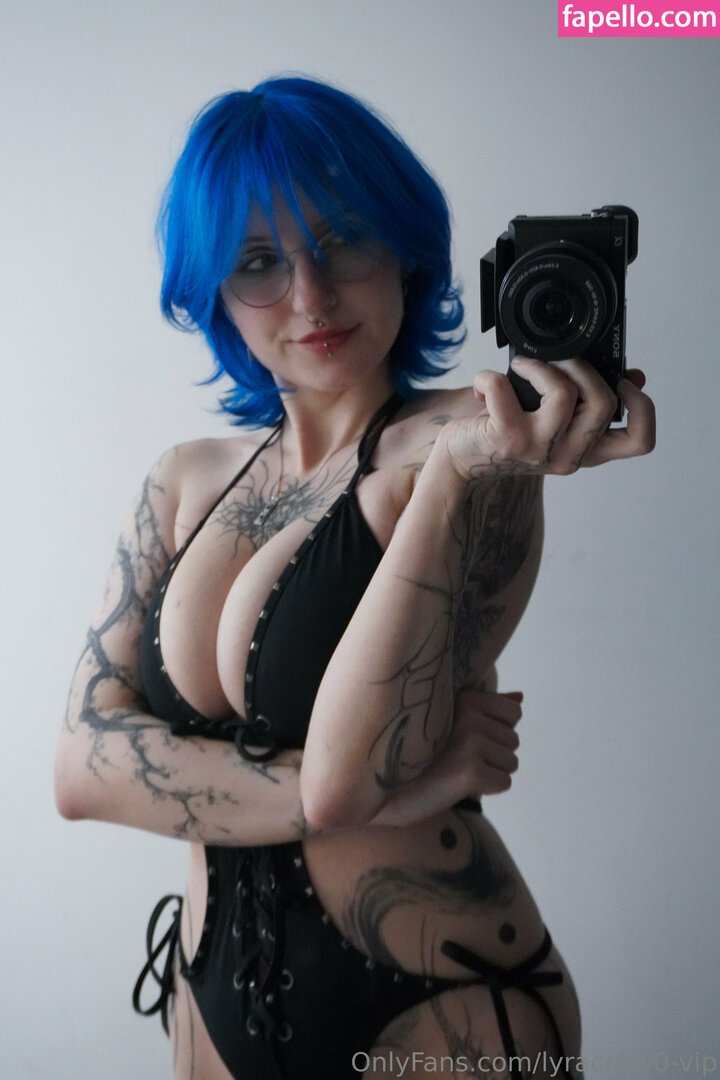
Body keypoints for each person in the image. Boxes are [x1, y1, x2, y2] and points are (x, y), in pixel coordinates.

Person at [55, 75, 655, 1080]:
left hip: (444, 1001)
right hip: (207, 1001)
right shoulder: (182, 479)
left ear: (404, 245)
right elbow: (81, 772)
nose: (310, 295)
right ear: (214, 291)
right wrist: (390, 791)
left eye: (342, 240)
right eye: (259, 261)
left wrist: (455, 476)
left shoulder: (477, 446)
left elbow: (342, 780)